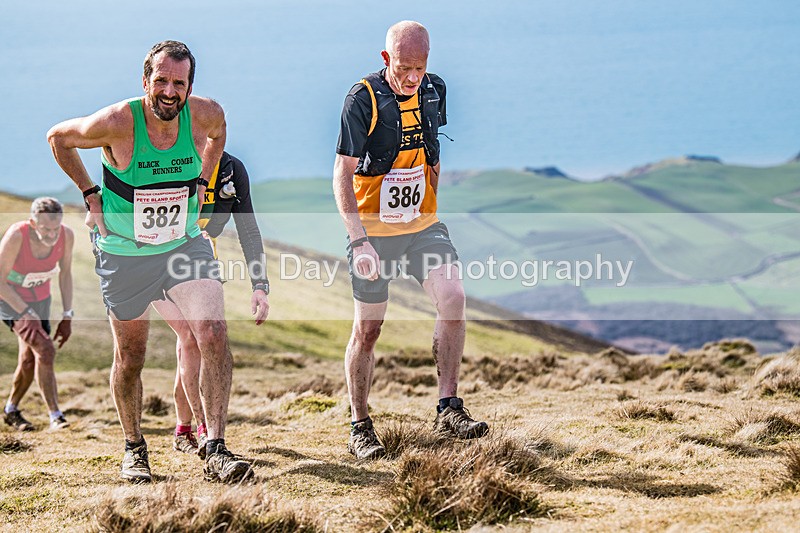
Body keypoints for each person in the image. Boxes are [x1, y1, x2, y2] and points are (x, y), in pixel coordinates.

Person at [47, 40, 252, 483]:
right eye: (160, 80)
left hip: (183, 245)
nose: (169, 91)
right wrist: (89, 193)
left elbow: (218, 135)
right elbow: (58, 139)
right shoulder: (118, 122)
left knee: (213, 332)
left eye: (179, 83)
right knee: (131, 357)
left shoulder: (206, 114)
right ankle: (134, 448)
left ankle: (215, 446)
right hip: (125, 254)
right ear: (146, 82)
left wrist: (203, 179)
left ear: (190, 86)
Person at [333, 21, 489, 459]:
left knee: (454, 296)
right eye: (404, 68)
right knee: (368, 328)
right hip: (373, 231)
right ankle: (360, 426)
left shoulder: (435, 91)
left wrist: (432, 206)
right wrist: (358, 240)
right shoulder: (361, 98)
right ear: (386, 60)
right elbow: (342, 172)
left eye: (419, 68)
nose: (412, 78)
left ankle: (448, 407)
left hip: (422, 224)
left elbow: (433, 152)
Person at [159, 151, 269, 458]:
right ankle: (203, 427)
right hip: (155, 263)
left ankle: (183, 429)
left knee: (196, 341)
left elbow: (248, 230)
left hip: (201, 264)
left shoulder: (232, 169)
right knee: (189, 339)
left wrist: (260, 285)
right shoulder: (171, 159)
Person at [1, 198, 74, 432]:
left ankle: (11, 410)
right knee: (45, 349)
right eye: (45, 229)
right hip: (11, 299)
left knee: (29, 359)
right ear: (33, 223)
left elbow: (65, 274)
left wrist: (67, 314)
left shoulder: (66, 236)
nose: (52, 235)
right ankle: (56, 415)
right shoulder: (17, 235)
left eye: (56, 228)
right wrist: (25, 311)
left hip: (41, 299)